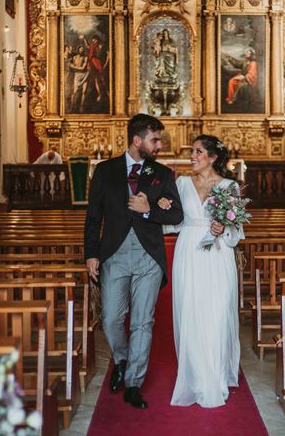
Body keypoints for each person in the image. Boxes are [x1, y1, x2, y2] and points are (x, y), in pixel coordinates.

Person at [84, 113, 183, 409]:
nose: (160, 145)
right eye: (155, 140)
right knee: (111, 319)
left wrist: (149, 208)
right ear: (137, 140)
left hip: (148, 257)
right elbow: (93, 217)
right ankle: (123, 360)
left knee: (143, 321)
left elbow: (176, 214)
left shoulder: (162, 173)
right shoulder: (105, 170)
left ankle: (134, 383)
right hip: (114, 254)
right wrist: (91, 253)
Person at [158, 135, 244, 408]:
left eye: (197, 152)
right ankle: (195, 377)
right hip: (189, 252)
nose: (192, 156)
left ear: (213, 158)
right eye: (192, 152)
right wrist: (161, 207)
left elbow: (236, 231)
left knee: (217, 314)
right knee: (191, 311)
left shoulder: (230, 187)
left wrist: (224, 228)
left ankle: (216, 377)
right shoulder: (181, 183)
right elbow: (174, 220)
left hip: (218, 255)